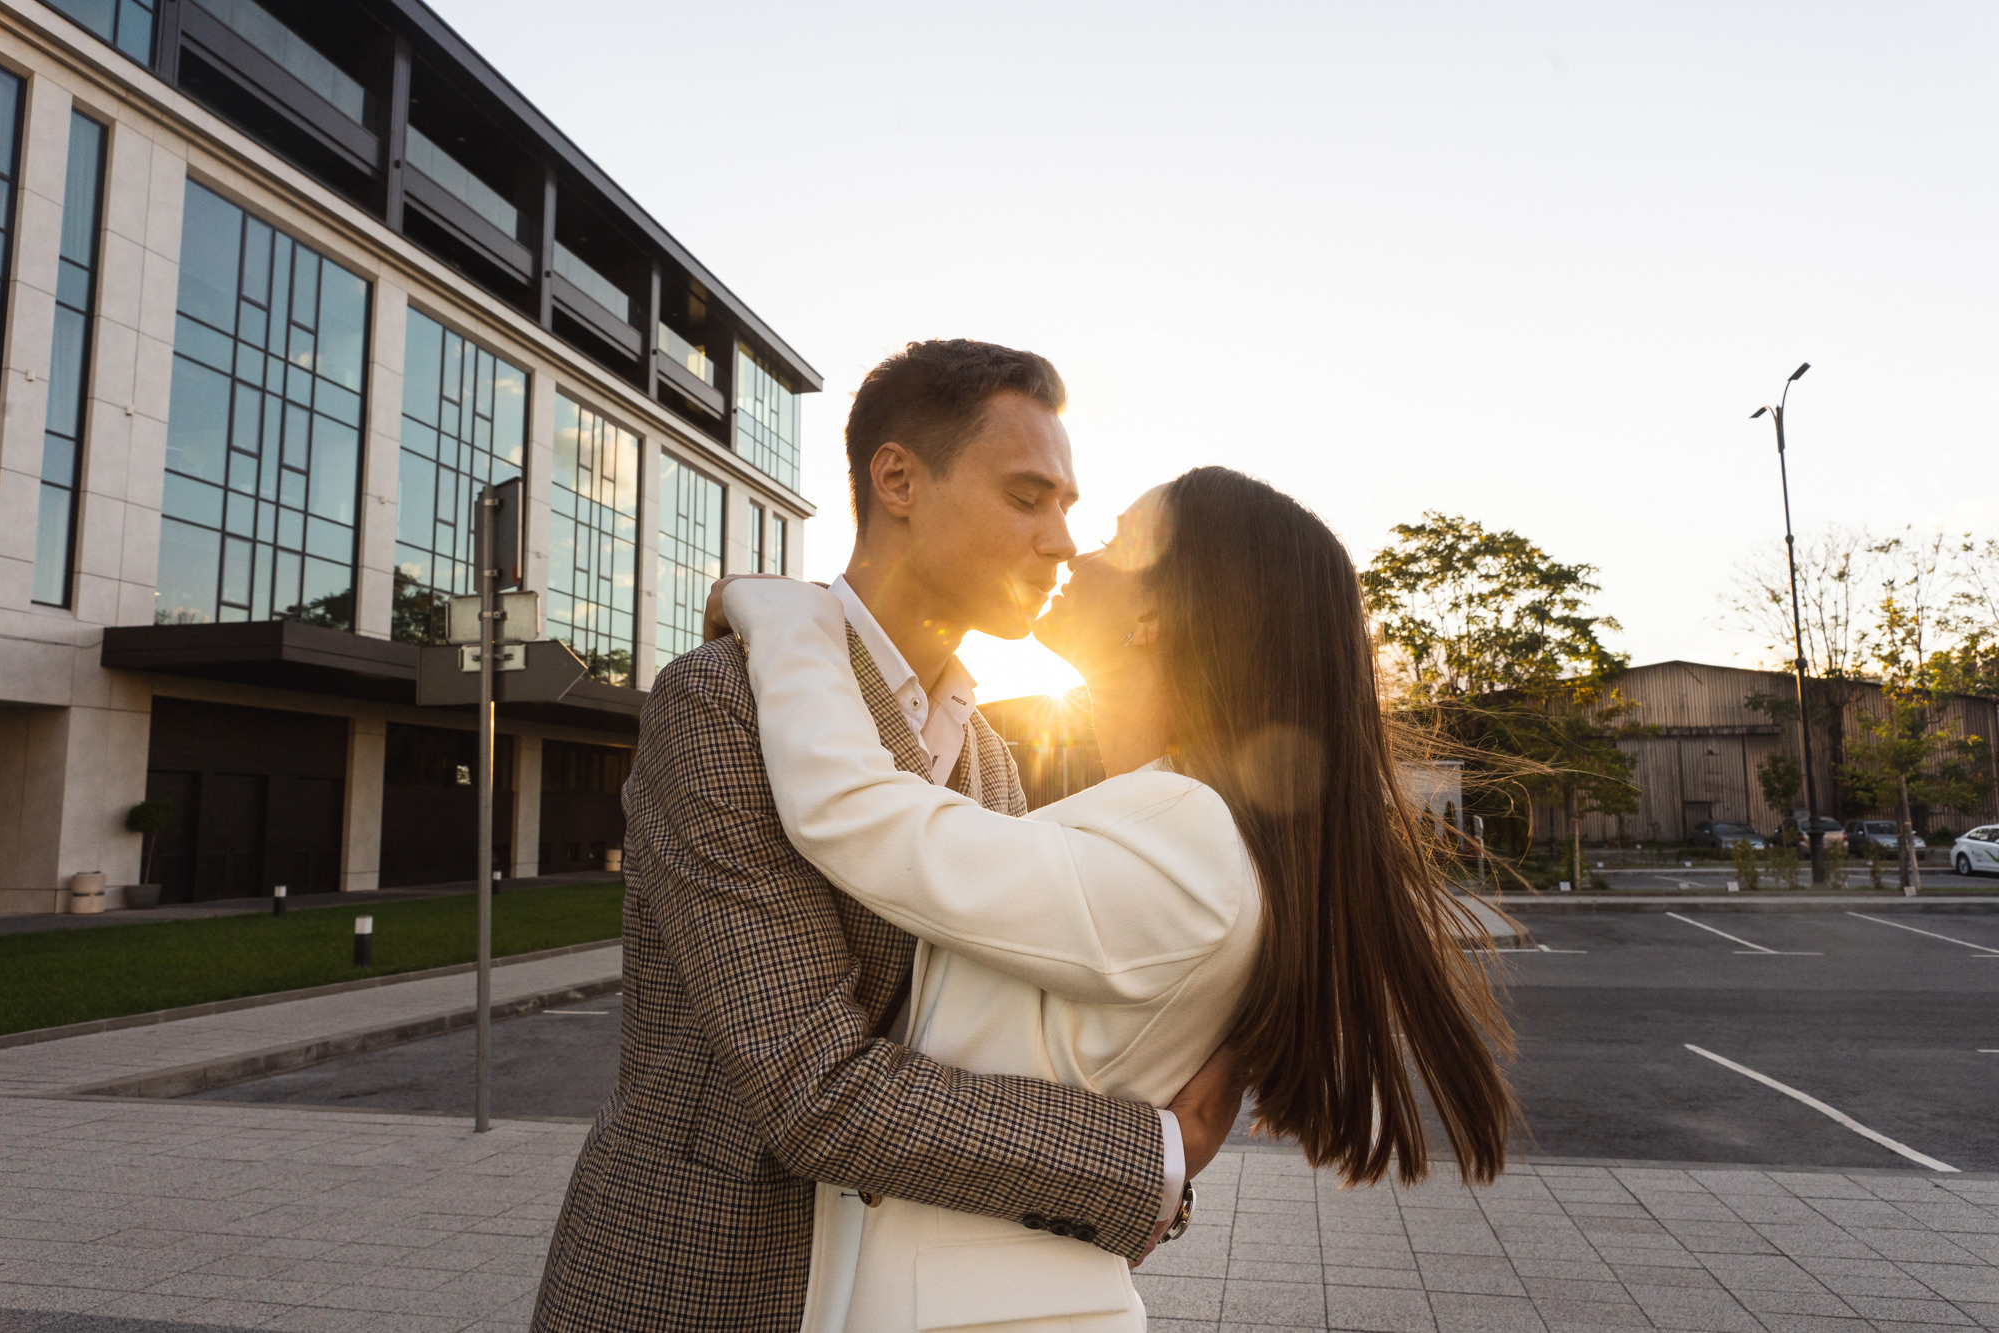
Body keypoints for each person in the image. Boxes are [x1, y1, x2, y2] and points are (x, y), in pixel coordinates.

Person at [532, 341, 1243, 1333]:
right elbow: (810, 1085)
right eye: (1028, 497)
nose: (1061, 542)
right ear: (898, 480)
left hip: (898, 1288)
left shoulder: (990, 756)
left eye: (1068, 506)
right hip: (700, 1282)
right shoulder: (720, 701)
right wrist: (1147, 1157)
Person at [709, 466, 1521, 1331]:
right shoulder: (1182, 825)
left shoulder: (1188, 835)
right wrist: (1153, 1166)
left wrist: (789, 614)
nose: (1071, 549)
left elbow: (852, 811)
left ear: (1154, 615)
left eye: (1115, 540)